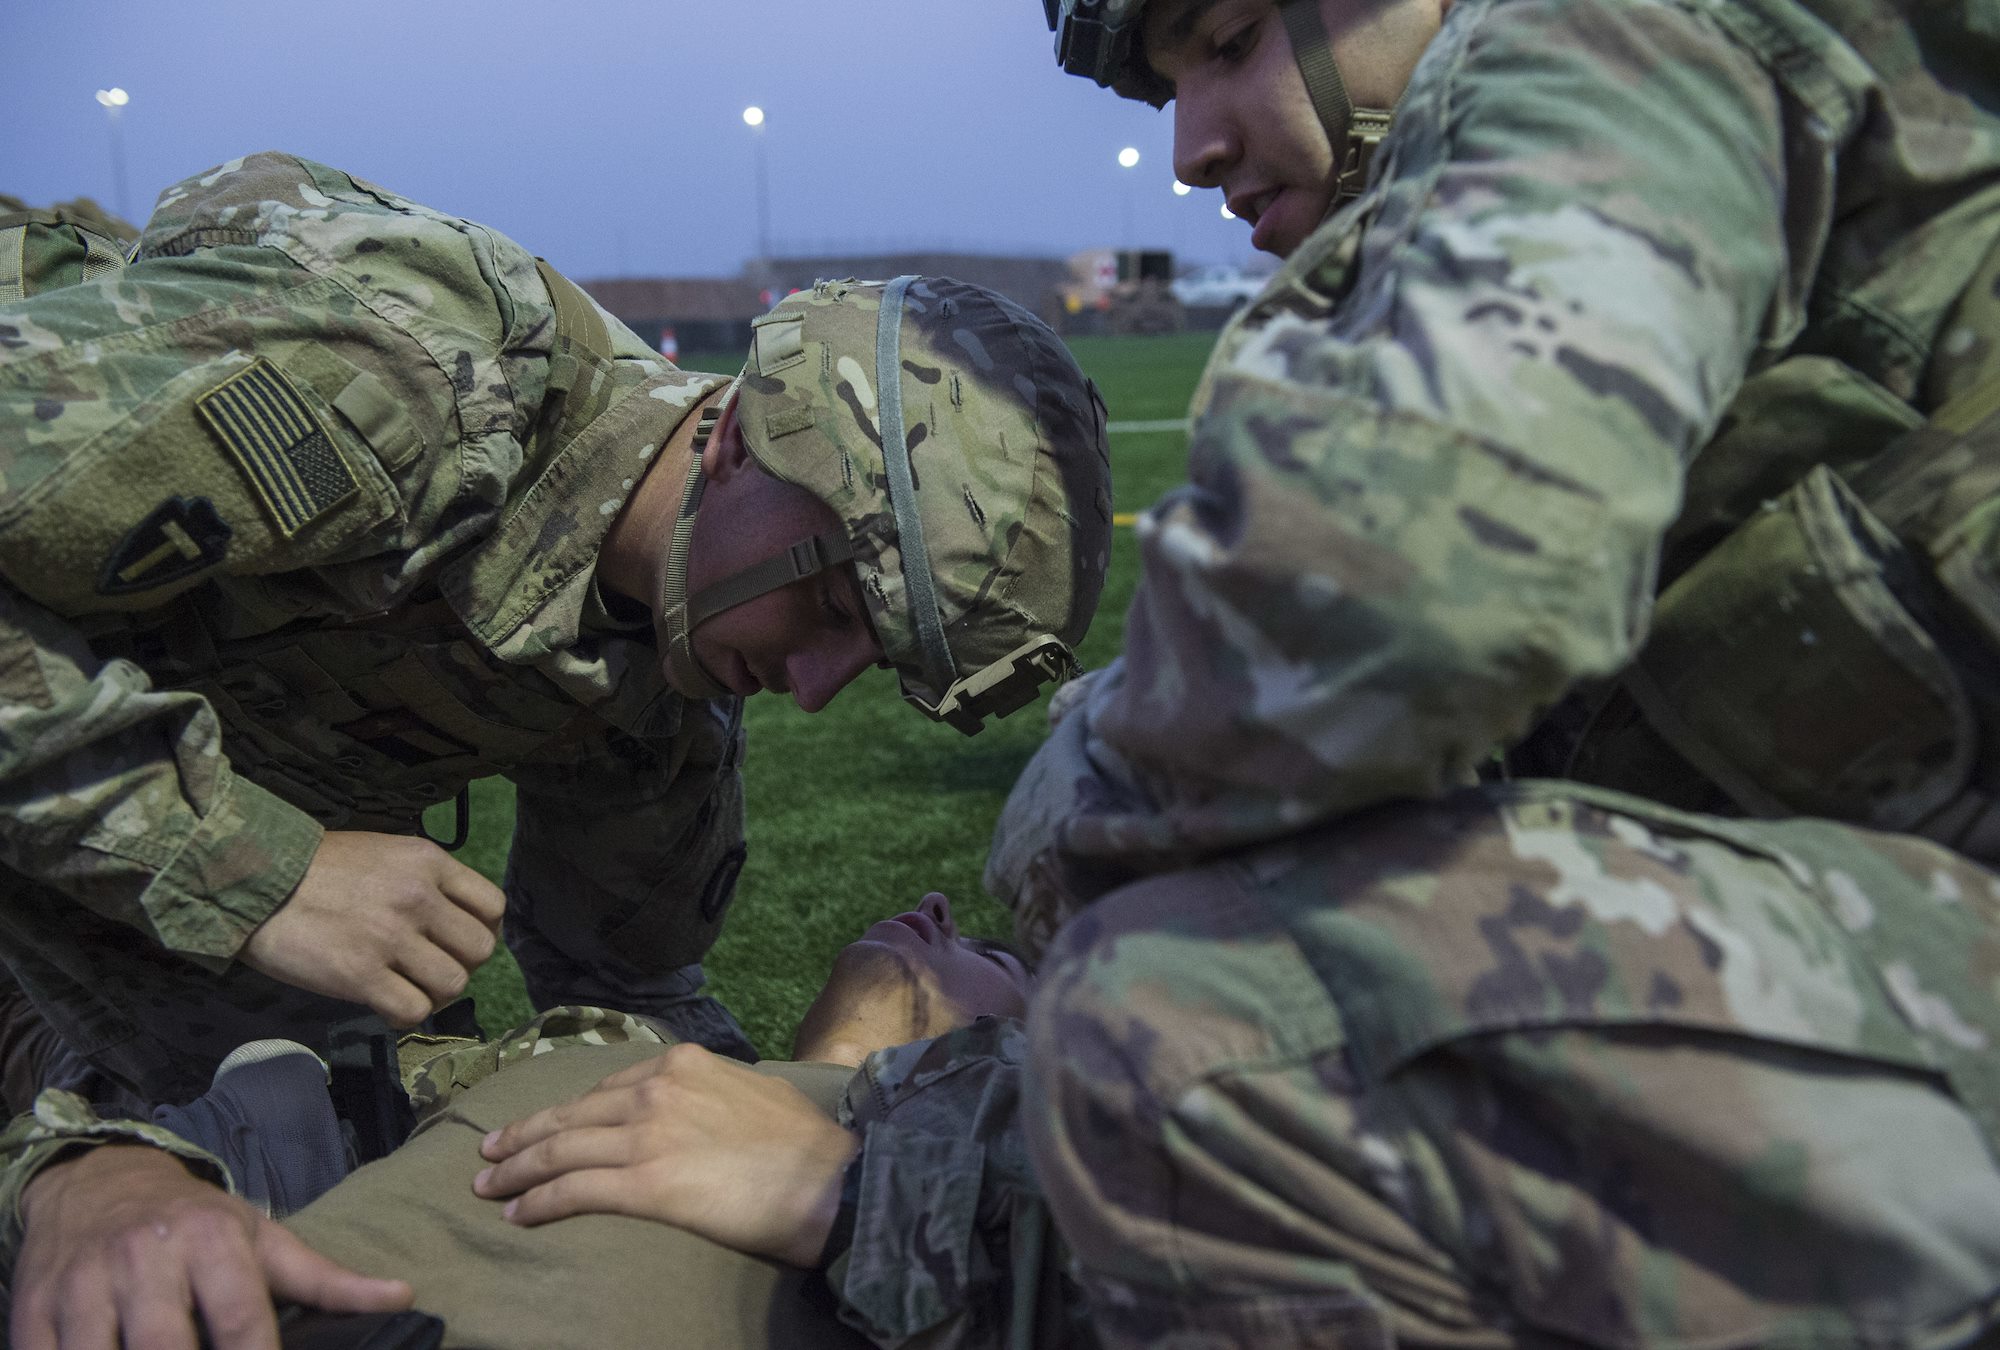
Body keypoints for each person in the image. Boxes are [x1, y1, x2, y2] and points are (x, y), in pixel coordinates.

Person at [669, 0, 2000, 1344]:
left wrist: (1044, 898)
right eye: (1172, 86)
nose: (1190, 147)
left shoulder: (1608, 34)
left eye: (1234, 40)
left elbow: (1411, 583)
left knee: (1185, 1020)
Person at [0, 150, 1112, 1108]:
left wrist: (796, 1129)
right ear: (738, 441)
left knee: (340, 1105)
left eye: (876, 662)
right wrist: (249, 864)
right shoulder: (406, 381)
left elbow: (632, 994)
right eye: (832, 606)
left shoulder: (665, 699)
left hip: (68, 950)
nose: (814, 689)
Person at [0, 893, 1039, 1349]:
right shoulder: (603, 1053)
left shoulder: (1035, 1213)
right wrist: (95, 1175)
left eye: (994, 959)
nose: (941, 906)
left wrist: (873, 1198)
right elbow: (250, 1124)